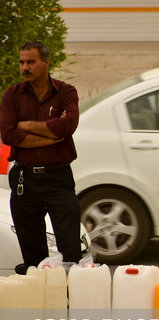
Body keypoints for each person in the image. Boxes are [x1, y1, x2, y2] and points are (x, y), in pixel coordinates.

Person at [0, 41, 82, 273]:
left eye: (31, 62)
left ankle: (69, 302)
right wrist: (52, 134)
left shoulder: (66, 92)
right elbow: (9, 135)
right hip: (25, 180)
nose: (25, 67)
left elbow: (68, 126)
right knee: (33, 257)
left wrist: (27, 125)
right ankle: (40, 305)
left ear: (46, 63)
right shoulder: (12, 96)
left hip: (58, 178)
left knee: (70, 251)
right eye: (22, 62)